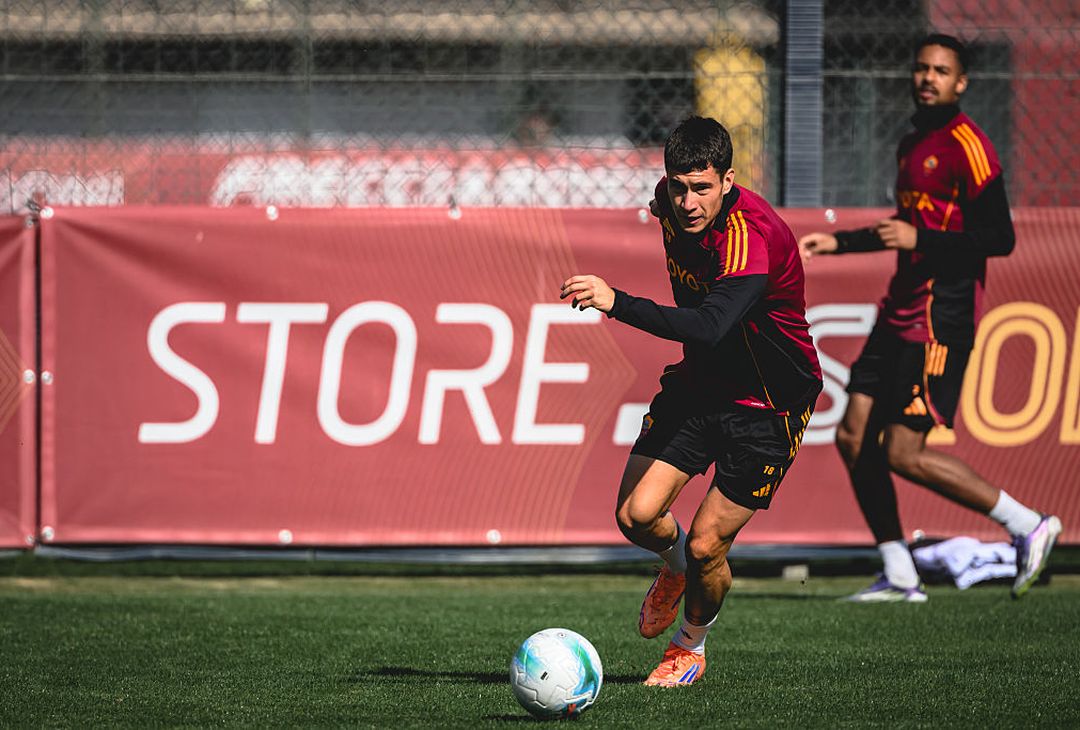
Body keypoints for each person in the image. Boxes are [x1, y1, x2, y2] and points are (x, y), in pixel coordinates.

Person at [798, 33, 1061, 602]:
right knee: (852, 436)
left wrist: (922, 237)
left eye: (941, 70)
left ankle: (1028, 524)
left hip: (941, 317)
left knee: (903, 451)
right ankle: (899, 574)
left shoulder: (970, 145)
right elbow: (905, 226)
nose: (928, 78)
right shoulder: (913, 141)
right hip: (899, 310)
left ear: (961, 82)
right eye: (921, 68)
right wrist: (841, 244)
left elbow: (999, 238)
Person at [561, 116, 822, 686]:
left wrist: (616, 302)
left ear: (728, 179)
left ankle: (690, 647)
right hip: (702, 384)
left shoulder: (752, 237)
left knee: (708, 545)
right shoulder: (668, 200)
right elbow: (704, 341)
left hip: (767, 404)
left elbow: (708, 326)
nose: (687, 201)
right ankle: (674, 570)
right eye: (678, 186)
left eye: (701, 187)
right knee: (635, 515)